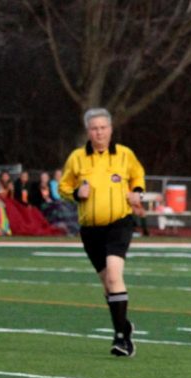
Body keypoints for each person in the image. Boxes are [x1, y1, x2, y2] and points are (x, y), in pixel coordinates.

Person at [58, 107, 146, 356]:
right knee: (107, 283)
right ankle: (124, 326)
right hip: (90, 229)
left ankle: (121, 340)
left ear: (110, 129)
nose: (99, 132)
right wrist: (76, 193)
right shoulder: (77, 158)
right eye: (94, 128)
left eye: (103, 128)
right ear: (88, 131)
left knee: (115, 274)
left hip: (119, 223)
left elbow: (137, 175)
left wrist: (136, 191)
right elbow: (64, 186)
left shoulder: (124, 154)